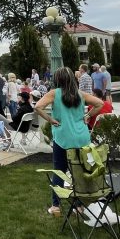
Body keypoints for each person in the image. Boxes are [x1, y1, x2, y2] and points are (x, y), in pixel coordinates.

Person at [33, 67, 105, 216]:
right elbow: (100, 103)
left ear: (57, 79)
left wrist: (51, 120)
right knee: (78, 170)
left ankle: (56, 206)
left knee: (59, 170)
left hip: (63, 137)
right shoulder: (81, 94)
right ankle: (78, 206)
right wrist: (87, 116)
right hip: (82, 137)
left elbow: (38, 106)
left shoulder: (54, 93)